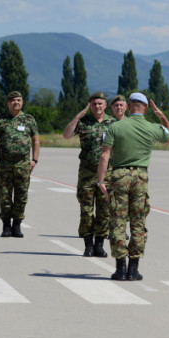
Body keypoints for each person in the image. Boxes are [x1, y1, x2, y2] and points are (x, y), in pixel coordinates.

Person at [97, 93, 169, 281]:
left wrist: (101, 181)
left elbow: (104, 155)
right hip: (140, 176)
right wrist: (162, 116)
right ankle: (133, 269)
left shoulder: (115, 127)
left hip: (119, 175)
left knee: (118, 221)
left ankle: (119, 269)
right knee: (138, 221)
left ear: (129, 106)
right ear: (146, 108)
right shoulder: (152, 128)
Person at [62, 92, 115, 257]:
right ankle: (88, 245)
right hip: (86, 173)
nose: (97, 106)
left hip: (107, 174)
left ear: (105, 105)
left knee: (104, 211)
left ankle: (99, 245)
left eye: (100, 103)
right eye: (94, 104)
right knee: (86, 210)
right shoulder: (83, 122)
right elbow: (67, 135)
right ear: (90, 106)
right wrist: (79, 115)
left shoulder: (113, 123)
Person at [0, 91, 40, 238]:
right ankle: (6, 225)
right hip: (4, 165)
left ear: (22, 102)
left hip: (23, 165)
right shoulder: (0, 120)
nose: (15, 102)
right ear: (7, 103)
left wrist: (34, 160)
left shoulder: (29, 120)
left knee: (21, 196)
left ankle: (17, 225)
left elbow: (36, 140)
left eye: (18, 100)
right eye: (12, 100)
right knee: (4, 196)